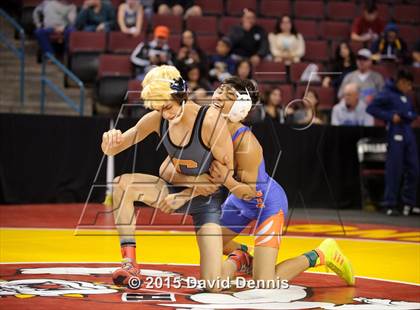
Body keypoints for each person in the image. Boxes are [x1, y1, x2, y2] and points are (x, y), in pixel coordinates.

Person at [160, 76, 355, 287]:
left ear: (240, 108)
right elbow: (166, 168)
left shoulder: (247, 144)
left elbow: (251, 193)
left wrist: (225, 179)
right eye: (220, 90)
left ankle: (321, 254)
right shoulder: (202, 124)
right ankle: (241, 257)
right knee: (211, 254)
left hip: (265, 203)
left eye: (229, 96)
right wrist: (197, 180)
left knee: (264, 281)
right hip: (237, 201)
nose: (218, 97)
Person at [102, 65, 234, 291]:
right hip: (172, 191)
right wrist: (109, 140)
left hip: (207, 201)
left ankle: (238, 258)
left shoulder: (211, 121)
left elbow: (225, 177)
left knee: (214, 286)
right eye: (159, 109)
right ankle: (130, 262)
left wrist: (184, 195)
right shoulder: (157, 118)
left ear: (181, 94)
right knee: (121, 184)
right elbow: (114, 148)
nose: (166, 114)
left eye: (168, 107)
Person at [366, 70, 419, 216]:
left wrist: (411, 115)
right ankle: (390, 204)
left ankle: (409, 204)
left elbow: (411, 112)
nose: (410, 88)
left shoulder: (405, 96)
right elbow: (371, 108)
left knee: (414, 169)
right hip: (395, 133)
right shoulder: (387, 93)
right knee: (394, 170)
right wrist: (390, 116)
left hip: (408, 133)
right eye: (408, 85)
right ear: (401, 82)